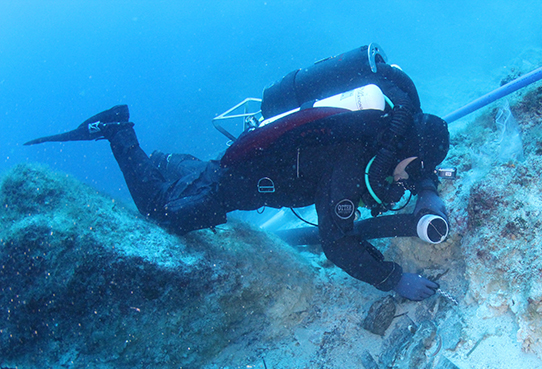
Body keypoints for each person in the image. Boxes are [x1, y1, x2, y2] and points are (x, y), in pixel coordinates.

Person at [24, 45, 451, 301]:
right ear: (409, 151)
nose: (408, 183)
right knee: (161, 214)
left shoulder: (388, 127)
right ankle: (120, 132)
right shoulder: (351, 165)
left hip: (248, 162)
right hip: (237, 186)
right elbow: (337, 244)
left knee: (203, 173)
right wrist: (394, 279)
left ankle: (161, 161)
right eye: (415, 174)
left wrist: (427, 188)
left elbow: (407, 165)